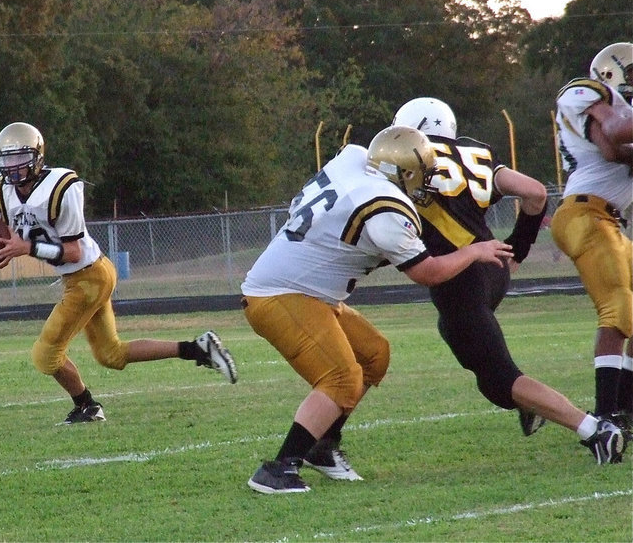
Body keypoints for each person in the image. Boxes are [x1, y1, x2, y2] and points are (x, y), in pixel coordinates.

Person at [242, 125, 515, 494]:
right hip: (283, 294)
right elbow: (427, 272)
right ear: (403, 172)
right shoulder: (387, 208)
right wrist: (473, 251)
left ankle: (322, 446)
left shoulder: (353, 158)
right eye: (422, 173)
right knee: (342, 378)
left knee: (374, 354)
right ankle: (278, 468)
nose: (426, 182)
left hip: (309, 291)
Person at [392, 96, 628, 464]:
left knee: (499, 376)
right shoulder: (475, 153)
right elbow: (534, 193)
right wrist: (516, 250)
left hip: (459, 275)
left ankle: (595, 430)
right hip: (492, 268)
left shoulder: (406, 158)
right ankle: (533, 405)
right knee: (485, 371)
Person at [0, 122, 238, 425]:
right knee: (111, 355)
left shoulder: (61, 186)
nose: (12, 167)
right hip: (81, 278)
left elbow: (73, 251)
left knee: (45, 355)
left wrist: (27, 248)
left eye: (19, 158)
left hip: (90, 276)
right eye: (6, 159)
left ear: (37, 157)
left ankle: (86, 406)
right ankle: (199, 348)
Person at [550, 42, 633, 436]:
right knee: (617, 305)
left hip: (608, 219)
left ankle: (626, 409)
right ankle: (606, 416)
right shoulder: (584, 90)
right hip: (584, 212)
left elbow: (615, 150)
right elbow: (614, 137)